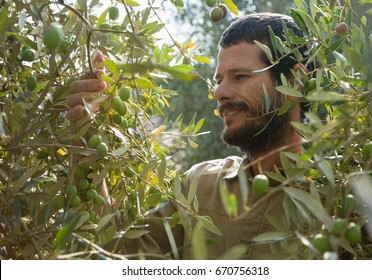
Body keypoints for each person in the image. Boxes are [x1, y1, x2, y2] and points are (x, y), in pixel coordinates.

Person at [66, 12, 314, 259]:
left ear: (294, 82)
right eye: (219, 80)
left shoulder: (334, 202)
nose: (219, 92)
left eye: (240, 76)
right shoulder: (197, 186)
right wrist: (85, 135)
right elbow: (119, 254)